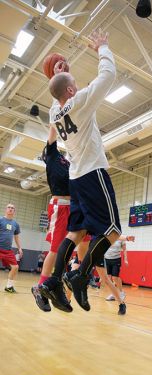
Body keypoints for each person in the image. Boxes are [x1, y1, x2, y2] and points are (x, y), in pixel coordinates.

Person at [39, 29, 122, 313]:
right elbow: (108, 76)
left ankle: (51, 282)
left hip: (76, 178)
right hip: (92, 172)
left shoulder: (54, 112)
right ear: (72, 91)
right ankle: (80, 276)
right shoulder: (80, 102)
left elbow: (57, 92)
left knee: (75, 233)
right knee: (112, 232)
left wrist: (59, 75)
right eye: (74, 83)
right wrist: (103, 48)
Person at [31, 127, 71, 312]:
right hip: (59, 206)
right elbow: (52, 137)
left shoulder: (69, 163)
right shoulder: (53, 157)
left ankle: (59, 282)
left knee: (73, 248)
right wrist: (56, 120)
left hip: (74, 208)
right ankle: (40, 288)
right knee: (55, 250)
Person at [0, 204, 23, 293]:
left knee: (15, 267)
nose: (10, 209)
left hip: (8, 250)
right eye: (9, 207)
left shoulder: (15, 224)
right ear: (6, 209)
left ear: (14, 211)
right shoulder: (1, 220)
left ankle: (9, 286)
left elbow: (16, 237)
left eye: (12, 208)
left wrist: (20, 248)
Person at [105, 237, 132, 301]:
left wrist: (125, 259)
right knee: (108, 278)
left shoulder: (121, 238)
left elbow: (124, 250)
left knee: (115, 277)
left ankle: (121, 292)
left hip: (116, 259)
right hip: (107, 259)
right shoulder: (107, 236)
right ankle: (113, 293)